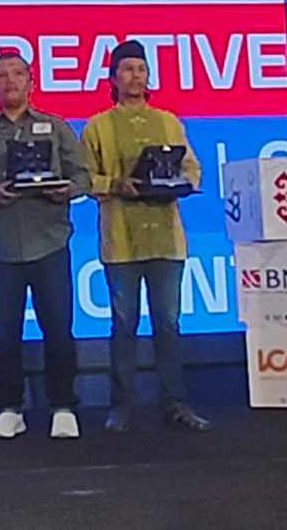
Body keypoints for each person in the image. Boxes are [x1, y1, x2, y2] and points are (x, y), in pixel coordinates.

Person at [0, 49, 90, 440]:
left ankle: (63, 405)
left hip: (50, 242)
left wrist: (66, 190)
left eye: (18, 74)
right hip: (0, 246)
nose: (10, 81)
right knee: (4, 333)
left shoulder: (57, 127)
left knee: (59, 329)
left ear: (32, 83)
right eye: (2, 76)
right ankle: (9, 407)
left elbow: (83, 176)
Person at [82, 39, 211, 433]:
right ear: (113, 78)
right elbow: (83, 178)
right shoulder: (98, 125)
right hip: (121, 240)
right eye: (127, 69)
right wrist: (116, 185)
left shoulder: (169, 122)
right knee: (124, 325)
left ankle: (176, 402)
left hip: (166, 240)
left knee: (168, 324)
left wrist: (182, 184)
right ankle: (121, 406)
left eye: (140, 69)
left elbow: (193, 169)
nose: (135, 76)